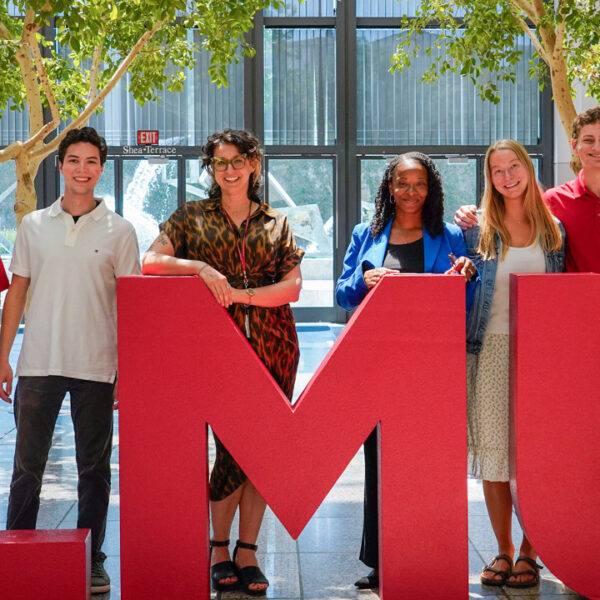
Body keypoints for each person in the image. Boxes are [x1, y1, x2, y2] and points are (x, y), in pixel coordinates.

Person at [142, 129, 303, 596]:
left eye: (236, 161)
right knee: (230, 447)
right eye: (218, 163)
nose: (228, 170)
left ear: (254, 164)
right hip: (215, 350)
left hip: (275, 347)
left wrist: (240, 294)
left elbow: (291, 287)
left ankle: (246, 549)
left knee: (263, 452)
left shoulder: (277, 222)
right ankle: (218, 546)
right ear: (210, 169)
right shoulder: (191, 217)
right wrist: (201, 269)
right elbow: (149, 260)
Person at [0, 126, 141, 594]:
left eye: (91, 161)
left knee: (94, 472)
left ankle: (94, 559)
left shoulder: (121, 231)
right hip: (38, 363)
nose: (83, 169)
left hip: (96, 367)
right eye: (74, 160)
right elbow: (16, 291)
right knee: (26, 468)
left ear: (101, 168)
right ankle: (15, 547)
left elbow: (130, 305)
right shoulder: (33, 225)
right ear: (60, 166)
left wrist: (128, 368)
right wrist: (5, 358)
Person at [336, 152, 477, 590]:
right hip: (377, 366)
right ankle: (380, 559)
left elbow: (465, 303)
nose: (410, 191)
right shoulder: (367, 233)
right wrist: (365, 281)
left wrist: (468, 277)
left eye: (419, 184)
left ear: (430, 188)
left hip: (430, 369)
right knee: (380, 464)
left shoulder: (448, 234)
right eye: (402, 183)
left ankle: (423, 553)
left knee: (425, 463)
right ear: (389, 187)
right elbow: (342, 295)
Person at [464, 140, 564, 588]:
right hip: (489, 352)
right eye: (497, 170)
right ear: (490, 179)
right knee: (495, 456)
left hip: (541, 356)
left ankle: (531, 551)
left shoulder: (554, 231)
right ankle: (503, 550)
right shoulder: (478, 229)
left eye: (513, 167)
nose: (507, 177)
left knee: (538, 454)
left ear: (527, 168)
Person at [454, 105, 600, 273]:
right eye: (588, 140)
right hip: (577, 299)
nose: (596, 147)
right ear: (574, 146)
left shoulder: (551, 222)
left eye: (514, 166)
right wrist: (465, 215)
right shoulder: (554, 201)